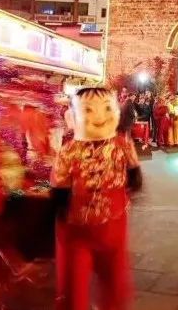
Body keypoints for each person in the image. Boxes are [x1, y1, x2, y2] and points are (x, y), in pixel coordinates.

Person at [51, 87, 141, 310]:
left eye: (107, 108)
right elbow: (60, 186)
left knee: (112, 282)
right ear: (73, 117)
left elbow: (134, 174)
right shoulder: (70, 151)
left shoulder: (121, 144)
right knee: (77, 284)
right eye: (89, 110)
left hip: (111, 225)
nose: (100, 117)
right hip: (79, 229)